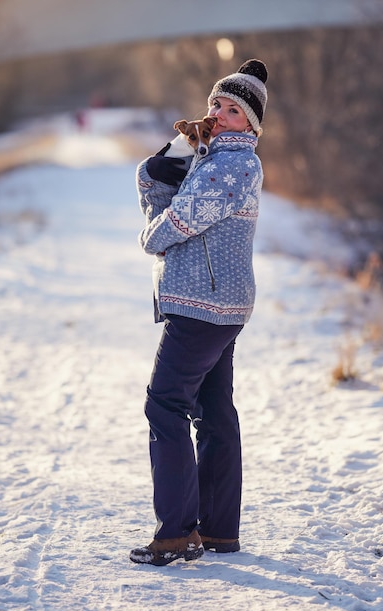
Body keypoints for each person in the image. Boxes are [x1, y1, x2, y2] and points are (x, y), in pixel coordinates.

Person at [130, 59, 268, 566]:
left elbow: (183, 219)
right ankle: (218, 532)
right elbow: (164, 200)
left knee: (164, 404)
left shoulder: (234, 164)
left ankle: (177, 532)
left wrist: (151, 237)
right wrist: (157, 168)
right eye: (216, 103)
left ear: (250, 125)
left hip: (204, 305)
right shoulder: (206, 158)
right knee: (213, 413)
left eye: (234, 109)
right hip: (214, 303)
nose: (219, 112)